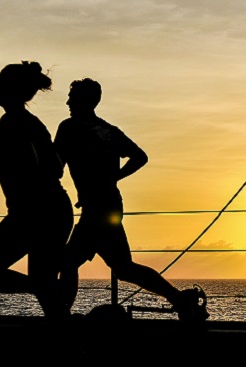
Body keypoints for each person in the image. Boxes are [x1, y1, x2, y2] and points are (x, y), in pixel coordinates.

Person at [54, 77, 208, 322]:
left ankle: (60, 318)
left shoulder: (69, 128)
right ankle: (180, 299)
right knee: (122, 267)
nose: (68, 102)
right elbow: (140, 157)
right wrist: (114, 177)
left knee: (69, 261)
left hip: (97, 209)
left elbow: (55, 166)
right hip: (110, 205)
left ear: (84, 100)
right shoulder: (109, 131)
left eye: (72, 98)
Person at [0, 61, 74, 321]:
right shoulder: (25, 122)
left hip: (37, 212)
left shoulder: (17, 121)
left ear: (11, 88)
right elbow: (55, 168)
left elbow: (36, 167)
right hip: (46, 210)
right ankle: (72, 351)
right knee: (43, 287)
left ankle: (70, 344)